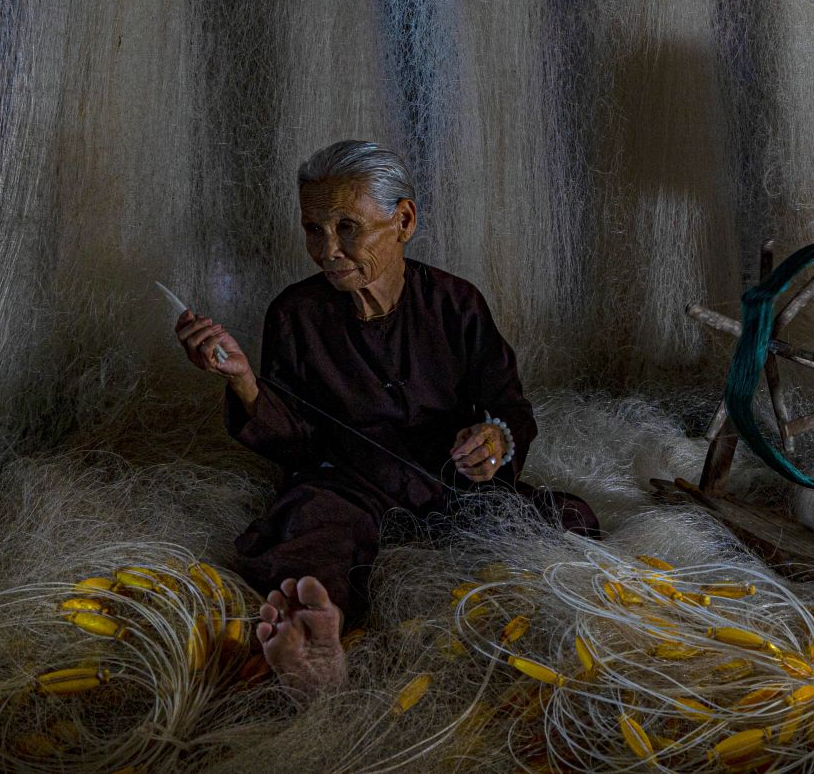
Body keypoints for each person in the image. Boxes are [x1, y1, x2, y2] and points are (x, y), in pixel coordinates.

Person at [174, 140, 598, 698]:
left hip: (448, 481)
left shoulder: (456, 304)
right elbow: (295, 442)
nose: (327, 250)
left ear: (403, 220)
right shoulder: (295, 315)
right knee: (309, 535)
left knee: (566, 520)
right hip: (348, 484)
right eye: (313, 230)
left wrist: (496, 439)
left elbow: (509, 406)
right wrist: (243, 381)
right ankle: (318, 640)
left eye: (347, 227)